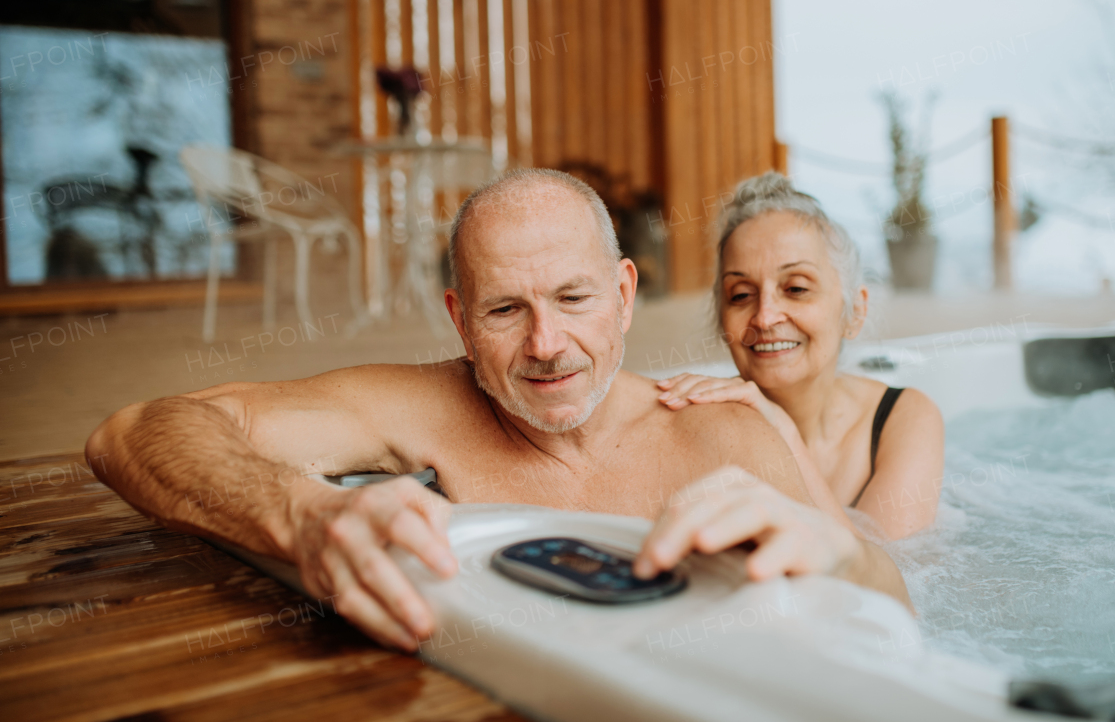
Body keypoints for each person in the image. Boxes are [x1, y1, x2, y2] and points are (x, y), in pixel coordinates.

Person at [87, 169, 912, 654]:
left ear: (624, 295)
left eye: (574, 298)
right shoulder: (416, 405)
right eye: (505, 311)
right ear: (458, 319)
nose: (547, 344)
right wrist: (299, 512)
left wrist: (840, 549)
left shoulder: (725, 433)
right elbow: (129, 432)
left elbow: (893, 618)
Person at [656, 173, 944, 540]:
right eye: (741, 294)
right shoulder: (700, 426)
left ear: (855, 311)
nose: (764, 316)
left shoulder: (902, 418)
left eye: (796, 288)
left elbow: (890, 582)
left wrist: (783, 431)